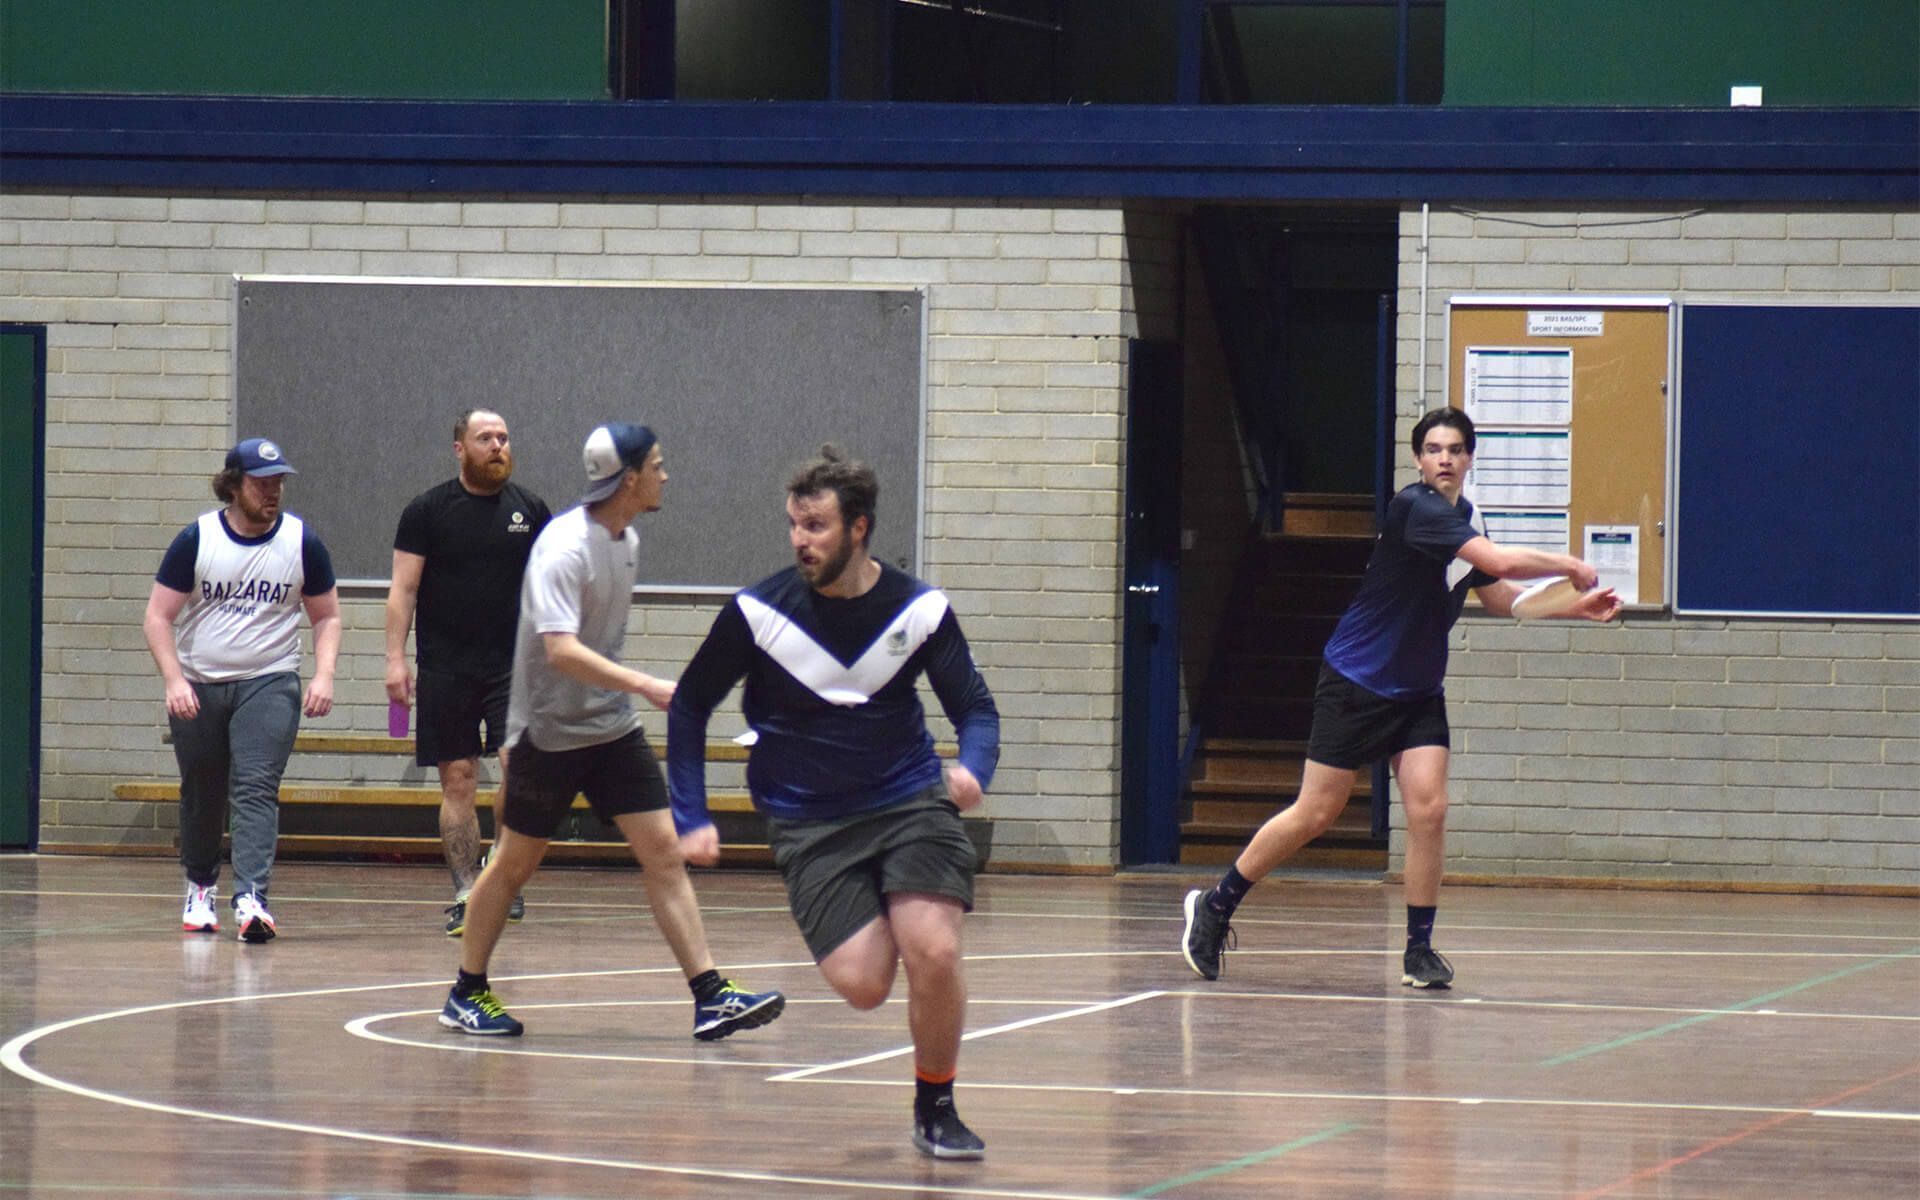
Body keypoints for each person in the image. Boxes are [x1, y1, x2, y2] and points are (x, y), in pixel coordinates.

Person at [1181, 407, 1622, 989]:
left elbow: (1498, 597)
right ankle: (1215, 906)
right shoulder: (1416, 508)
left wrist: (1572, 605)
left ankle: (1419, 950)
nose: (1445, 458)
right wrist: (1568, 563)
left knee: (1429, 810)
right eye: (1434, 448)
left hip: (1417, 690)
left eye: (1456, 449)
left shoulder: (1471, 515)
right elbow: (1496, 561)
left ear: (1470, 458)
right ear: (1419, 459)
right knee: (1317, 813)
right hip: (1358, 680)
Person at [668, 445, 1001, 1160]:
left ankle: (936, 1103)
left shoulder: (919, 610)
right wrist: (690, 814)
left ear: (859, 528)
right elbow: (690, 705)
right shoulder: (758, 614)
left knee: (934, 950)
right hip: (808, 822)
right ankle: (887, 905)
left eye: (816, 526)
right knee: (863, 985)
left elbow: (976, 710)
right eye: (794, 525)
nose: (800, 540)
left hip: (909, 800)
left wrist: (973, 768)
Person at [441, 422, 783, 1042]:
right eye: (657, 464)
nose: (665, 474)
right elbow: (560, 651)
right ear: (629, 479)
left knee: (663, 852)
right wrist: (645, 684)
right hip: (547, 734)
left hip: (610, 730)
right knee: (515, 865)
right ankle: (467, 992)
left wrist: (622, 697)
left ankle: (711, 994)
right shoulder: (563, 548)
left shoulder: (626, 540)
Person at [143, 437, 342, 943]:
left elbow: (327, 616)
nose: (272, 491)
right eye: (261, 482)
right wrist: (173, 679)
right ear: (234, 485)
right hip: (201, 684)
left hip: (269, 680)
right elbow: (158, 617)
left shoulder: (302, 542)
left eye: (278, 482)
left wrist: (324, 674)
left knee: (255, 787)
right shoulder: (198, 539)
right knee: (203, 791)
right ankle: (201, 885)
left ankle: (252, 897)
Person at [385, 409, 552, 935]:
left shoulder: (530, 510)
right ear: (460, 448)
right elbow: (403, 589)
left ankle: (501, 878)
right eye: (486, 438)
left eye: (504, 437)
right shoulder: (427, 511)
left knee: (517, 771)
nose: (498, 446)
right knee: (458, 781)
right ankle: (464, 891)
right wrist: (395, 660)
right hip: (446, 667)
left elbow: (552, 588)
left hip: (515, 667)